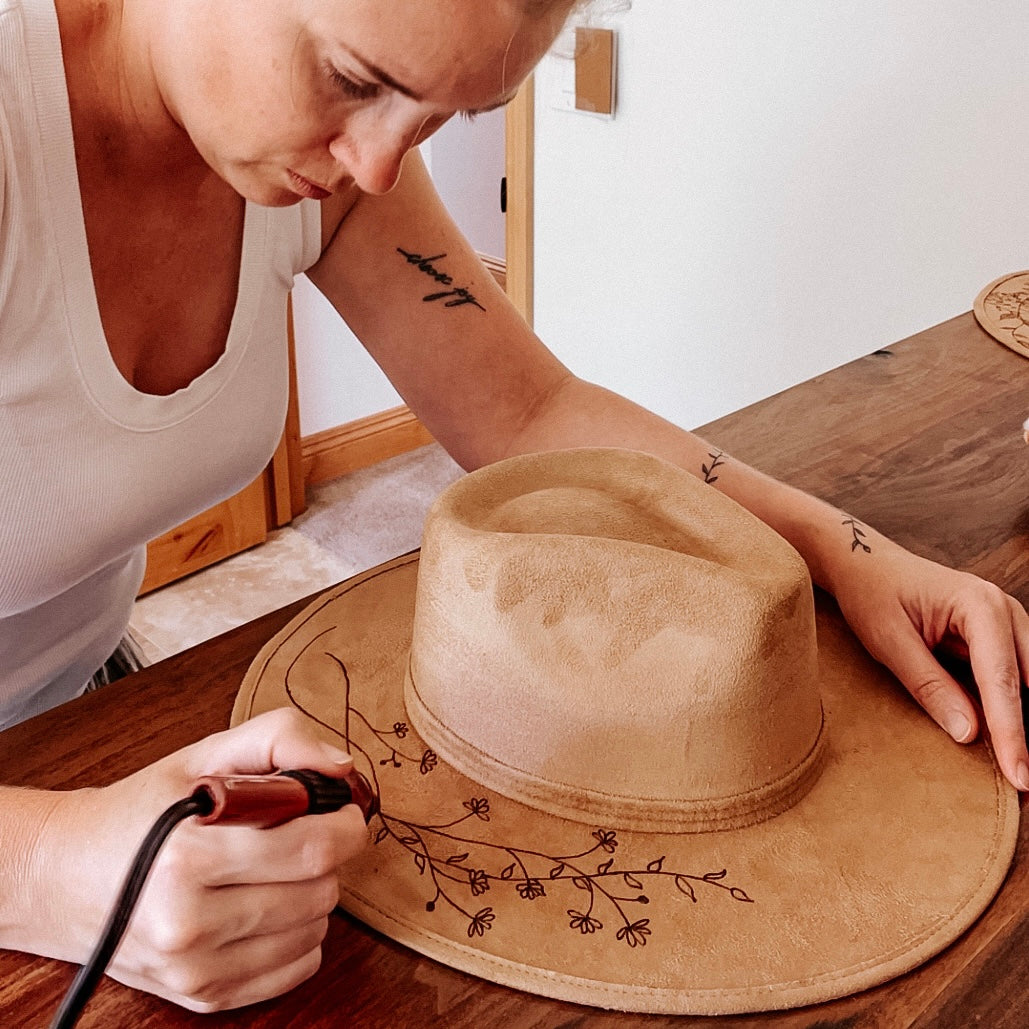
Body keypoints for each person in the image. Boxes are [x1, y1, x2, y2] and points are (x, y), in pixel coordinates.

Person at [0, 0, 1025, 1014]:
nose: (379, 165)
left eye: (443, 115)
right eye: (354, 79)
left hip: (79, 700)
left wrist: (843, 549)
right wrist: (52, 870)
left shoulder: (338, 167)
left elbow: (529, 411)